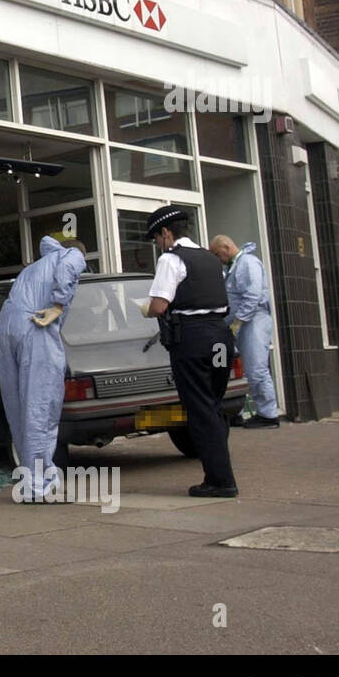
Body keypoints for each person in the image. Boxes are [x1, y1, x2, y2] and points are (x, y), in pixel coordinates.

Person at [140, 207, 237, 497]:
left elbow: (158, 306)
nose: (159, 244)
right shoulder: (210, 258)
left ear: (166, 233)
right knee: (214, 405)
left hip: (193, 339)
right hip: (220, 338)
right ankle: (221, 471)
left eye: (158, 238)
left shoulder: (171, 259)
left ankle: (220, 481)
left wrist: (145, 309)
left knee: (200, 409)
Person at [0, 235, 88, 503]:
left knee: (18, 409)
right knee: (40, 407)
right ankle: (39, 487)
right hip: (35, 325)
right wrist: (58, 305)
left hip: (5, 327)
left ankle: (31, 481)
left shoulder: (34, 266)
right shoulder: (71, 255)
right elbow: (70, 267)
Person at [209, 235, 280, 428]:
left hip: (253, 320)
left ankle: (268, 415)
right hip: (240, 322)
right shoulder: (233, 267)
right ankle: (235, 412)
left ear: (226, 247)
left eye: (216, 254)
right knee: (235, 369)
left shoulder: (248, 263)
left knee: (256, 368)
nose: (217, 258)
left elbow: (253, 294)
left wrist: (239, 321)